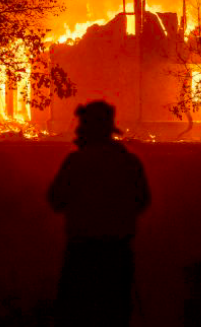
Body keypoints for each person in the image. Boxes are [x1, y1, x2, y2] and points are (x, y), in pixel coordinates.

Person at [48, 100, 150, 327]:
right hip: (117, 254)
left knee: (76, 314)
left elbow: (55, 200)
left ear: (89, 130)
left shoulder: (76, 162)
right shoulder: (129, 162)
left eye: (82, 127)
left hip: (82, 254)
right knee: (114, 314)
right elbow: (143, 201)